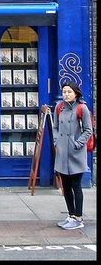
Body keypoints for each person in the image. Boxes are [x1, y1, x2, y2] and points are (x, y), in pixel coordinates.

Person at [53, 80, 92, 230]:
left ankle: (79, 217)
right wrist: (56, 141)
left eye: (69, 92)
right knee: (66, 187)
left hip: (76, 153)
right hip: (62, 153)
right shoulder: (59, 107)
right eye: (64, 92)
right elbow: (55, 127)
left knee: (76, 186)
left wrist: (78, 143)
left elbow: (88, 130)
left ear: (76, 93)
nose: (66, 94)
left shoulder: (82, 109)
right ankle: (70, 215)